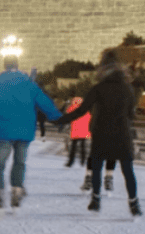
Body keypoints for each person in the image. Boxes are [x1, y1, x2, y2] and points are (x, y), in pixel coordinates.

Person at [52, 49, 141, 216]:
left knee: (96, 166)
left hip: (101, 133)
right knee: (128, 170)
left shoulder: (98, 88)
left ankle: (96, 199)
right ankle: (134, 204)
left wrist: (60, 119)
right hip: (122, 134)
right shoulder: (128, 89)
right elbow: (131, 114)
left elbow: (81, 111)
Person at [0, 54, 61, 212]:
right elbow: (45, 103)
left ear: (4, 66)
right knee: (19, 162)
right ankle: (17, 189)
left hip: (4, 132)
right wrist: (58, 118)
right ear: (17, 65)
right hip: (25, 131)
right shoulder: (29, 84)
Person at [64, 97, 91, 169]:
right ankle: (83, 161)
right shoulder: (85, 110)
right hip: (84, 131)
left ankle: (70, 162)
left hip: (75, 131)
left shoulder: (72, 108)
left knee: (73, 147)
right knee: (83, 146)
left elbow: (67, 112)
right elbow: (89, 118)